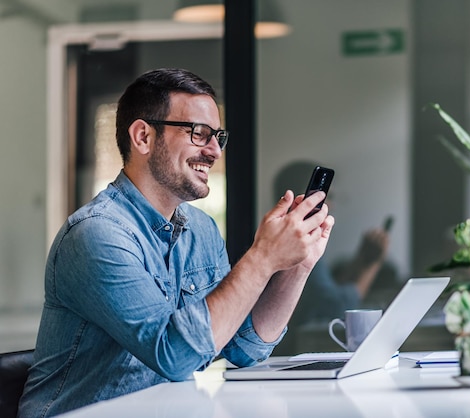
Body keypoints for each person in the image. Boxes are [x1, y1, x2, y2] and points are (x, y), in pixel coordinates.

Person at [18, 68, 334, 417]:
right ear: (142, 137)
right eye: (199, 133)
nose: (215, 150)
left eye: (217, 136)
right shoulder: (96, 235)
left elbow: (244, 347)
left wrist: (297, 265)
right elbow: (175, 356)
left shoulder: (201, 230)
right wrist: (262, 257)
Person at [271, 161, 390, 350]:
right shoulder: (294, 244)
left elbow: (327, 291)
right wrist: (374, 264)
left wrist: (362, 259)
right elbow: (335, 305)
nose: (331, 206)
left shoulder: (281, 237)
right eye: (325, 197)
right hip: (287, 352)